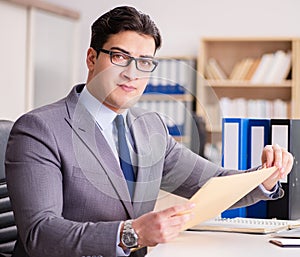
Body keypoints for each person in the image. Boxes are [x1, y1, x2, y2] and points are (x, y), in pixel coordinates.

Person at [5, 6, 293, 257]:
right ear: (92, 58)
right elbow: (40, 233)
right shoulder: (40, 129)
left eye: (144, 62)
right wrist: (131, 234)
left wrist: (264, 177)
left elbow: (213, 184)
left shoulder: (149, 128)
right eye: (120, 57)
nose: (132, 73)